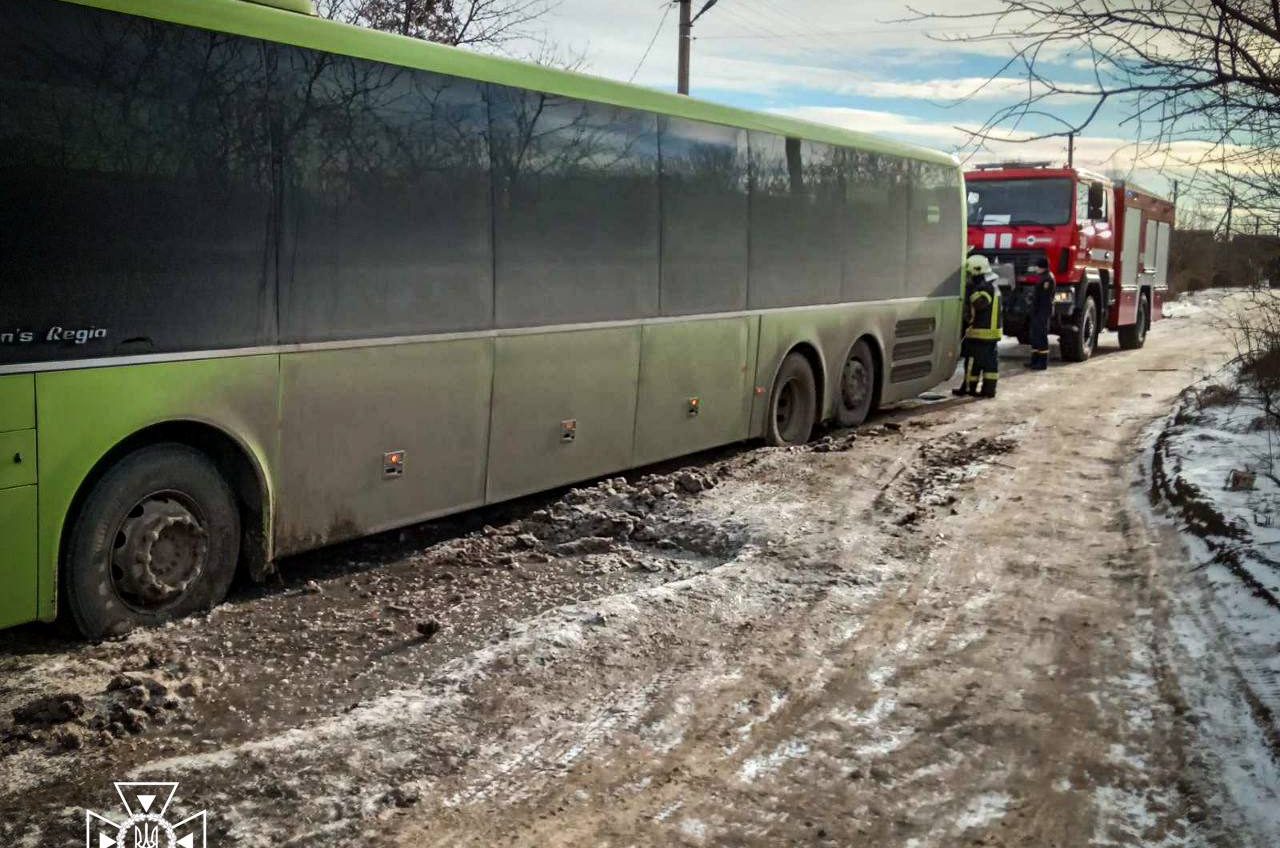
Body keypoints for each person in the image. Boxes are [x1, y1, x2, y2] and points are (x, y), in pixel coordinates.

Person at [953, 254, 1003, 399]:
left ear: (975, 271)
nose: (967, 277)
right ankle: (989, 390)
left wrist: (971, 291)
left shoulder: (984, 288)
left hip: (980, 333)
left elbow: (980, 304)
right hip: (992, 334)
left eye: (969, 273)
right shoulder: (993, 285)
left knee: (972, 363)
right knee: (990, 365)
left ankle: (969, 388)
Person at [1027, 259, 1054, 370]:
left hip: (1042, 311)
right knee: (1035, 336)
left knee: (1041, 336)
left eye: (1037, 267)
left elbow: (1044, 299)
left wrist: (1038, 311)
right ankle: (1034, 361)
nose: (1036, 269)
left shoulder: (1047, 279)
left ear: (1042, 267)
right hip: (1038, 311)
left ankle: (1042, 363)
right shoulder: (1043, 277)